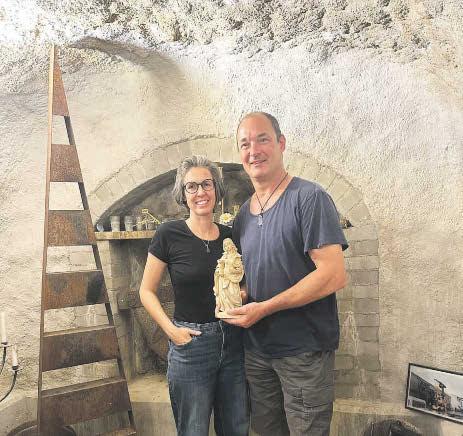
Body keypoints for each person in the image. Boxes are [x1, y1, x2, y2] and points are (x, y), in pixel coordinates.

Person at [227, 112, 349, 436]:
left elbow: (334, 274)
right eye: (245, 144)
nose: (254, 150)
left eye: (262, 139)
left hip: (303, 353)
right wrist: (236, 298)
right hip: (257, 351)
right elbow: (250, 277)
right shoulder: (243, 214)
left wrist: (265, 308)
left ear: (281, 143)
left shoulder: (309, 198)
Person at [139, 155, 249, 436]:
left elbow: (243, 285)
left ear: (216, 190)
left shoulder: (231, 236)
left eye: (207, 184)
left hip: (233, 341)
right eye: (192, 186)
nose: (201, 192)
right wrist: (172, 332)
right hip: (192, 345)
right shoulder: (168, 234)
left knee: (236, 429)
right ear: (183, 194)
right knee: (194, 430)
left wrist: (240, 296)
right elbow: (146, 291)